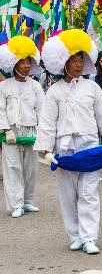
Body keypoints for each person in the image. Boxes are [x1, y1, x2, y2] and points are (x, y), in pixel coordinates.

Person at [34, 29, 102, 255]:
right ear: (63, 62)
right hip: (65, 151)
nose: (78, 64)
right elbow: (47, 122)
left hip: (89, 148)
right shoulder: (54, 92)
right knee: (68, 195)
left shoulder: (92, 87)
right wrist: (45, 150)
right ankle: (74, 235)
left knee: (88, 193)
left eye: (80, 60)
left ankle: (89, 238)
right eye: (73, 60)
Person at [0, 36, 44, 218]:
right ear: (14, 64)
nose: (26, 66)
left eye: (28, 62)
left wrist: (43, 133)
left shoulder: (35, 86)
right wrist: (6, 129)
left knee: (31, 168)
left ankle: (28, 200)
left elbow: (43, 110)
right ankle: (16, 203)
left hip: (31, 131)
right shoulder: (4, 86)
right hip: (11, 132)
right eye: (22, 62)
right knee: (13, 167)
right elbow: (0, 109)